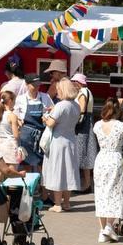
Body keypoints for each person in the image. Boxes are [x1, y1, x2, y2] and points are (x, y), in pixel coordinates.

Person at [92, 99, 123, 243]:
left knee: (101, 194)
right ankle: (109, 225)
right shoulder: (122, 126)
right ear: (118, 111)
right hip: (115, 159)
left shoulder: (97, 125)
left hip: (101, 159)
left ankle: (102, 230)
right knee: (116, 193)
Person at [41, 78, 83, 212]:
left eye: (59, 89)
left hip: (58, 141)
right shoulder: (76, 105)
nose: (57, 91)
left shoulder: (60, 105)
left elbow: (51, 123)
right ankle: (67, 203)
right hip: (70, 140)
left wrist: (45, 118)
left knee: (57, 171)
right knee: (68, 172)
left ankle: (57, 204)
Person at [14, 76, 49, 174]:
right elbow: (15, 115)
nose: (37, 87)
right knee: (26, 165)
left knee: (42, 165)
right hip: (26, 137)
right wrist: (18, 120)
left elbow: (52, 110)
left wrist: (47, 117)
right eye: (34, 85)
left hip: (41, 136)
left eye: (38, 85)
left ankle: (43, 184)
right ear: (27, 85)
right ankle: (28, 184)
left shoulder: (45, 97)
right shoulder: (20, 99)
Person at [72, 73, 97, 193]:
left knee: (81, 154)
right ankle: (87, 184)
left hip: (83, 126)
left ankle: (85, 184)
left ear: (78, 83)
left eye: (74, 82)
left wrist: (74, 121)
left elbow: (82, 109)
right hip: (87, 124)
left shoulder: (82, 92)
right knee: (85, 154)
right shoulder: (88, 91)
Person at [0, 89, 22, 168]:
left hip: (0, 144)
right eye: (14, 101)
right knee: (12, 171)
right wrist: (20, 128)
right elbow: (16, 135)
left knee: (0, 171)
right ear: (10, 101)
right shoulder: (12, 116)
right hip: (10, 146)